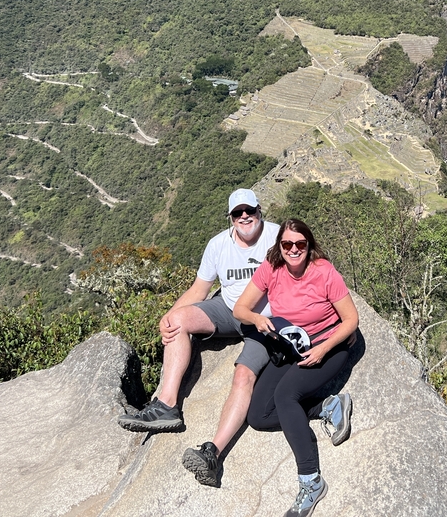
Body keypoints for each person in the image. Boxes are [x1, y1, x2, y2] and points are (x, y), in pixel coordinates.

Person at [116, 188, 279, 488]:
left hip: (264, 321)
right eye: (238, 213)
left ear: (259, 212)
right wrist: (168, 317)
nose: (245, 217)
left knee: (243, 377)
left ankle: (213, 454)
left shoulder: (277, 238)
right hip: (229, 311)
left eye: (250, 211)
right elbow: (199, 290)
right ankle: (167, 405)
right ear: (230, 218)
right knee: (179, 321)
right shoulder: (218, 245)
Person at [233, 218, 359, 517]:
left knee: (286, 395)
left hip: (330, 346)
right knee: (258, 415)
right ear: (279, 246)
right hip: (293, 345)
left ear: (309, 245)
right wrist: (257, 319)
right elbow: (241, 308)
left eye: (300, 244)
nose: (293, 249)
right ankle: (326, 406)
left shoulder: (324, 272)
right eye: (287, 244)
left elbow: (351, 320)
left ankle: (311, 480)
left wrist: (323, 349)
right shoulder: (271, 268)